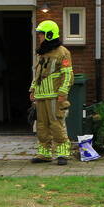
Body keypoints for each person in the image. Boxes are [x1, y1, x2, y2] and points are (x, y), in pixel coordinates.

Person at [29, 19, 73, 165]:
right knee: (41, 125)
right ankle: (44, 154)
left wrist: (62, 93)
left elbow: (67, 75)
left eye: (41, 34)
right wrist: (33, 89)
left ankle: (63, 154)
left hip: (55, 96)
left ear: (49, 35)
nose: (39, 37)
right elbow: (38, 73)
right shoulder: (42, 53)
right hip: (41, 95)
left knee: (56, 124)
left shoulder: (63, 52)